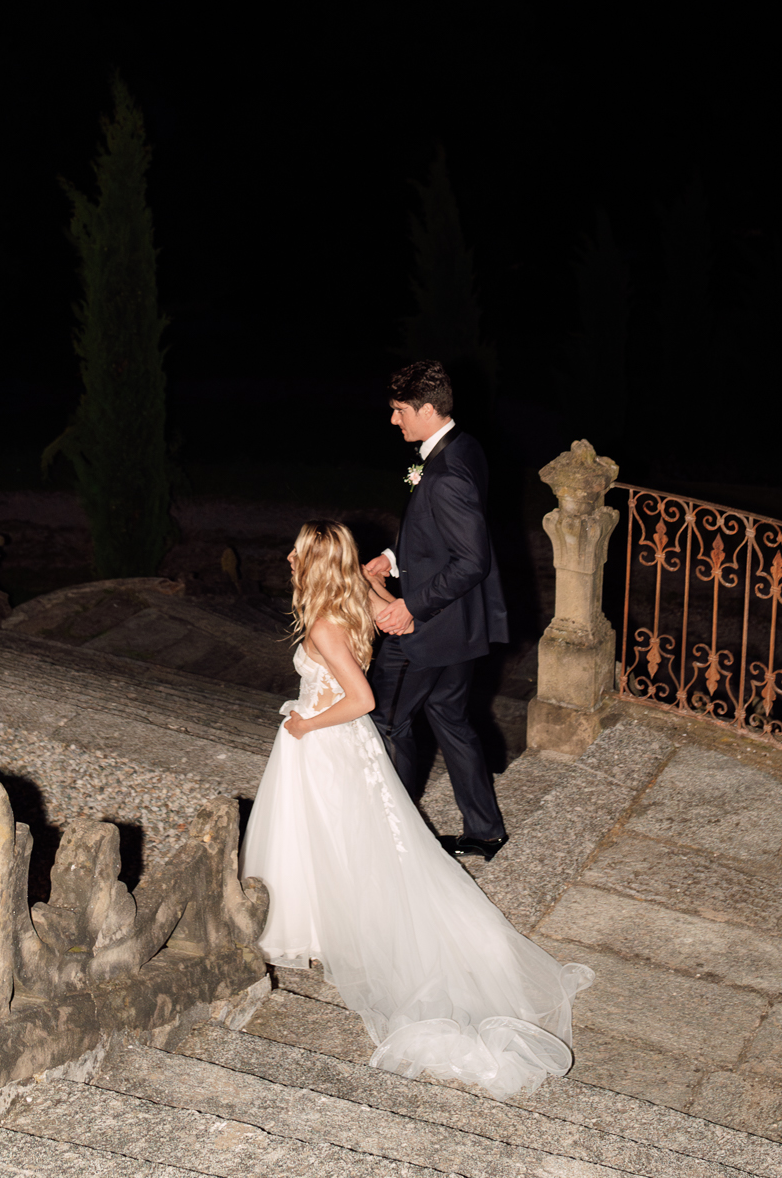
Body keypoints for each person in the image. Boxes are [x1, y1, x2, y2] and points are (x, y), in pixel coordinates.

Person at [241, 518, 591, 1097]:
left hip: (326, 744)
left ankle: (343, 930)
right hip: (334, 746)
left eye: (297, 551)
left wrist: (305, 721)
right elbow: (379, 615)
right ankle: (327, 924)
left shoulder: (328, 623)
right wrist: (370, 577)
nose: (287, 557)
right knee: (330, 840)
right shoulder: (348, 602)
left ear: (315, 563)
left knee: (334, 838)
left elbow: (363, 699)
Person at [363, 359, 508, 858]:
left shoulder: (445, 474)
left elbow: (472, 560)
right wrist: (391, 557)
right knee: (449, 714)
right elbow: (437, 534)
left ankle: (398, 841)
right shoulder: (461, 447)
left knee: (385, 720)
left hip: (428, 629)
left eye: (400, 410)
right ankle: (485, 830)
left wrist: (410, 607)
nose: (393, 420)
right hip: (462, 626)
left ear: (426, 409)